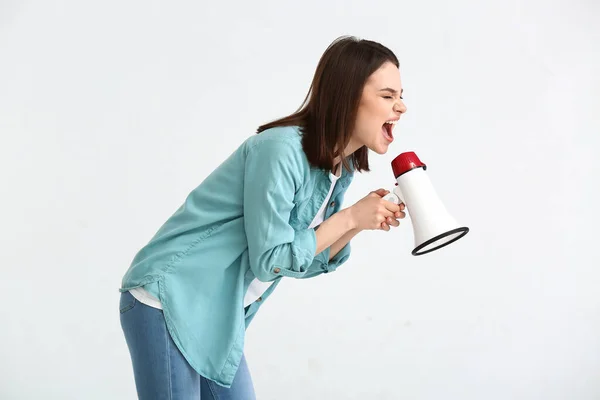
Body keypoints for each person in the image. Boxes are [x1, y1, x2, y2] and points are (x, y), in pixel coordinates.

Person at [119, 35, 408, 399]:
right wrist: (349, 218)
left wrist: (359, 222)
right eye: (388, 96)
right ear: (348, 96)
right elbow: (271, 258)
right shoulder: (280, 149)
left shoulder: (338, 169)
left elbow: (306, 260)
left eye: (400, 96)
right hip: (170, 297)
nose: (401, 107)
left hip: (219, 313)